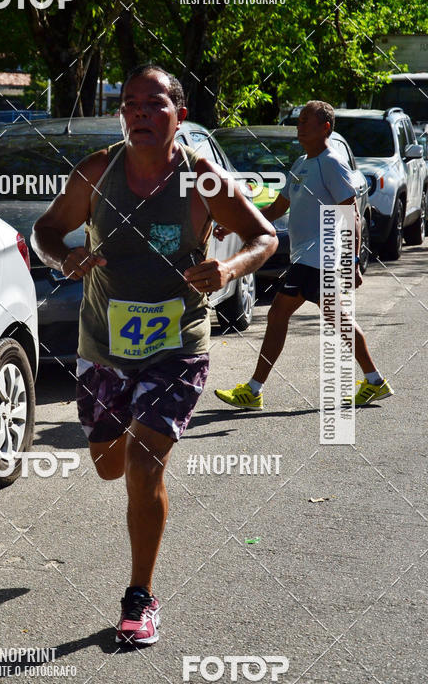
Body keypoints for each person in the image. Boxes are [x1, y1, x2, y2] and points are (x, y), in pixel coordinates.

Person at [32, 64, 277, 645]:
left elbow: (264, 237)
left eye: (155, 102)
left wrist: (228, 267)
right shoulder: (97, 173)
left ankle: (139, 597)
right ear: (123, 115)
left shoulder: (204, 181)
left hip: (178, 345)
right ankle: (119, 456)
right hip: (103, 345)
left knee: (144, 463)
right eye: (131, 103)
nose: (141, 111)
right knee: (107, 464)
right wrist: (64, 258)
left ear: (179, 115)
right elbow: (45, 231)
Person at [215, 99, 393, 411]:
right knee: (336, 319)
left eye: (306, 121)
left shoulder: (331, 163)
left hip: (318, 257)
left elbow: (350, 211)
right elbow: (275, 209)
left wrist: (352, 260)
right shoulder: (302, 163)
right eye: (299, 121)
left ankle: (254, 390)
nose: (300, 126)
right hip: (305, 257)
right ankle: (375, 381)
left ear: (325, 127)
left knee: (279, 315)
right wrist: (235, 224)